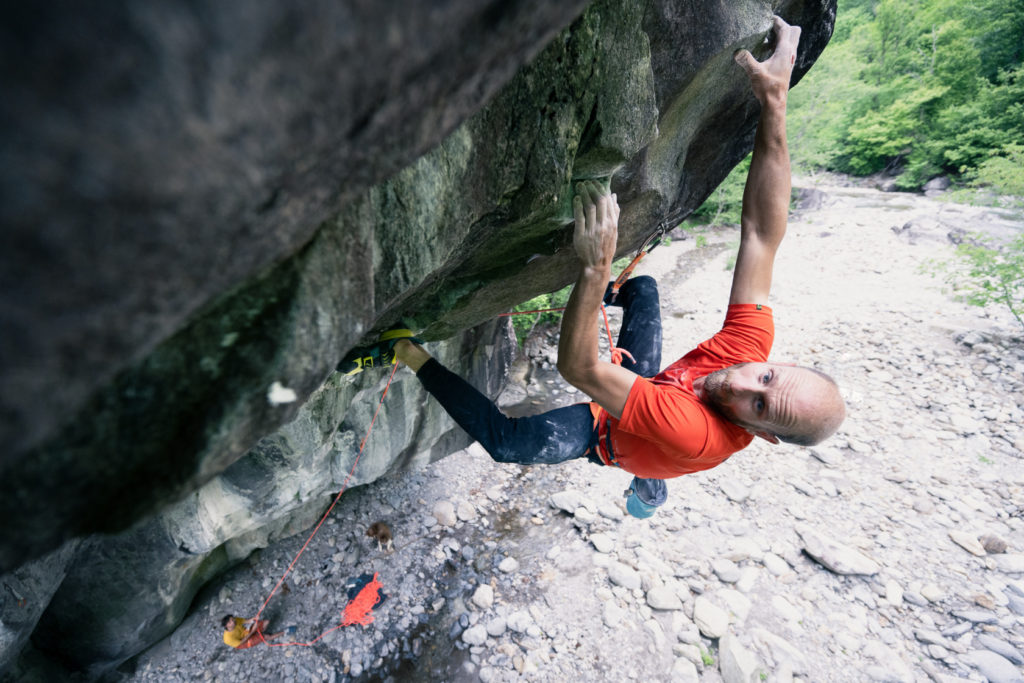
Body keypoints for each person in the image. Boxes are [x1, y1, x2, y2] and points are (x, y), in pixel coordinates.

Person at [352, 15, 844, 517]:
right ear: (775, 364)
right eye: (764, 379)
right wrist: (774, 102)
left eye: (758, 406)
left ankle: (405, 353)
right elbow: (762, 233)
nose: (741, 383)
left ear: (764, 435)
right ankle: (649, 460)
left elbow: (580, 367)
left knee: (509, 444)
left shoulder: (694, 432)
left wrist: (594, 269)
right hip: (655, 390)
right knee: (645, 288)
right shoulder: (747, 351)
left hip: (612, 434)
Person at [220, 614, 292, 649]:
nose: (233, 622)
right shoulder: (227, 639)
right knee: (267, 637)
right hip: (242, 643)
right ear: (227, 626)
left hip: (245, 632)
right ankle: (285, 632)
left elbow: (246, 621)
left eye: (233, 620)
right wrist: (253, 631)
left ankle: (260, 631)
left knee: (266, 622)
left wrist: (253, 619)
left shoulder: (235, 621)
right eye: (230, 622)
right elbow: (242, 642)